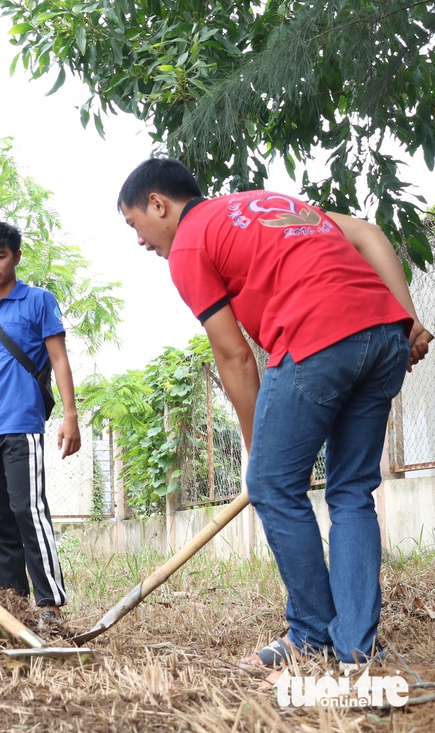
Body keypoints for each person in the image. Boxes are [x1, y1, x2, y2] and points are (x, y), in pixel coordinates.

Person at [117, 157, 433, 668]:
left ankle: (310, 632)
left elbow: (235, 355)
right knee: (352, 490)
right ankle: (355, 647)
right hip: (384, 336)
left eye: (135, 224)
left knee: (273, 483)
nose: (140, 240)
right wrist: (409, 320)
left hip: (317, 338)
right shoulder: (267, 202)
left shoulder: (190, 245)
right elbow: (370, 233)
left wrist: (257, 456)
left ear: (159, 203)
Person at [0, 221, 82, 629]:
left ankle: (49, 606)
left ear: (16, 256)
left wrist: (70, 414)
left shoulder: (38, 301)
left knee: (28, 510)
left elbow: (59, 358)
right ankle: (11, 604)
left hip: (21, 426)